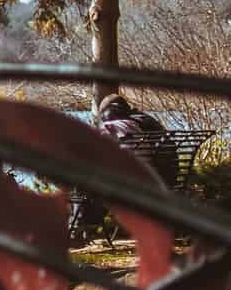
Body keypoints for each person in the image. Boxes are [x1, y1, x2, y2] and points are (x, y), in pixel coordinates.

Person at [71, 92, 178, 241]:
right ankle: (83, 229)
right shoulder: (146, 121)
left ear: (109, 112)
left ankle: (79, 230)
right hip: (166, 180)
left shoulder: (120, 125)